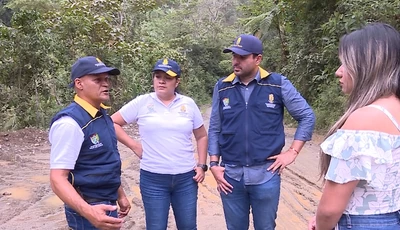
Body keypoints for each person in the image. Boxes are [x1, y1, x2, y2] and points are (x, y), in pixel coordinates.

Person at [208, 34, 315, 230]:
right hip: (230, 176)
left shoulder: (277, 84)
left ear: (258, 59)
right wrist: (213, 164)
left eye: (241, 57)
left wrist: (292, 152)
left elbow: (307, 116)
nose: (235, 61)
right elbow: (215, 127)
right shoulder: (222, 87)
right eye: (233, 56)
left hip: (266, 174)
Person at [308, 23, 400, 230]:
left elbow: (330, 209)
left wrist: (322, 225)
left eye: (344, 64)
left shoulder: (365, 119)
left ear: (367, 66)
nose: (338, 73)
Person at [111, 58, 208, 230]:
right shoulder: (142, 102)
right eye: (158, 76)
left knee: (188, 226)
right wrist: (134, 145)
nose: (161, 81)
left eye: (167, 77)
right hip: (153, 178)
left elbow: (201, 136)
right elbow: (112, 123)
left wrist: (201, 165)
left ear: (177, 81)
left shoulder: (188, 104)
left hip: (186, 178)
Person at [49, 56, 131, 230]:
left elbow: (104, 161)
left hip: (107, 203)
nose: (106, 84)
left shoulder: (103, 116)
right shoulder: (70, 124)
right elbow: (57, 179)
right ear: (79, 83)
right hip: (88, 208)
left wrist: (120, 194)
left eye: (106, 79)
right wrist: (89, 212)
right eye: (97, 79)